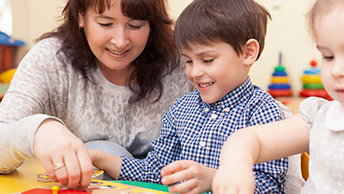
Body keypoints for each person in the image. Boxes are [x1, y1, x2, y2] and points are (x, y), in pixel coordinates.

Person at [88, 0, 292, 193]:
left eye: (207, 59)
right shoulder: (181, 109)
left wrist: (215, 179)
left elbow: (271, 187)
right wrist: (99, 157)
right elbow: (154, 172)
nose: (194, 73)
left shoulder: (263, 111)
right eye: (188, 61)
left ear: (248, 53)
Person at [0, 0, 194, 190]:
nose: (120, 41)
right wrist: (37, 131)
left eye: (135, 25)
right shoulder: (50, 60)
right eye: (105, 23)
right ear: (80, 16)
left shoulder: (186, 61)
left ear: (152, 24)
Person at [212, 0, 344, 193]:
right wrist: (236, 162)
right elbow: (250, 138)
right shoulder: (319, 118)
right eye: (328, 56)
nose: (337, 71)